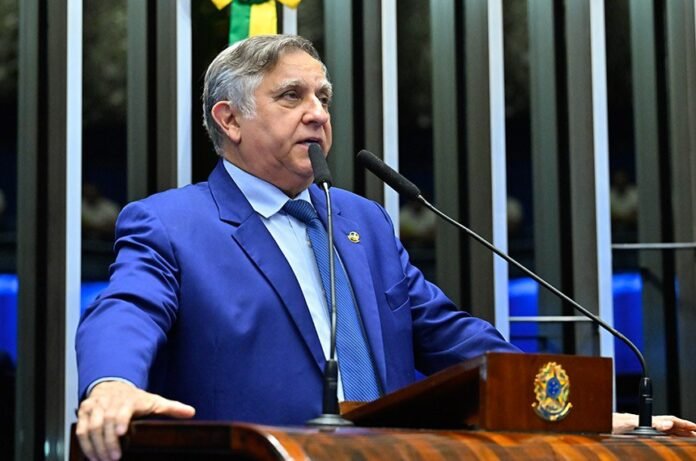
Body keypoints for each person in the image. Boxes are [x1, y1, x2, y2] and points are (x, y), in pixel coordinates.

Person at [75, 35, 695, 461]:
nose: (317, 114)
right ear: (229, 120)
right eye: (291, 97)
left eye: (324, 98)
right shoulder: (172, 223)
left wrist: (571, 410)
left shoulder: (362, 221)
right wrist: (111, 384)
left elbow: (449, 335)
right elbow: (127, 308)